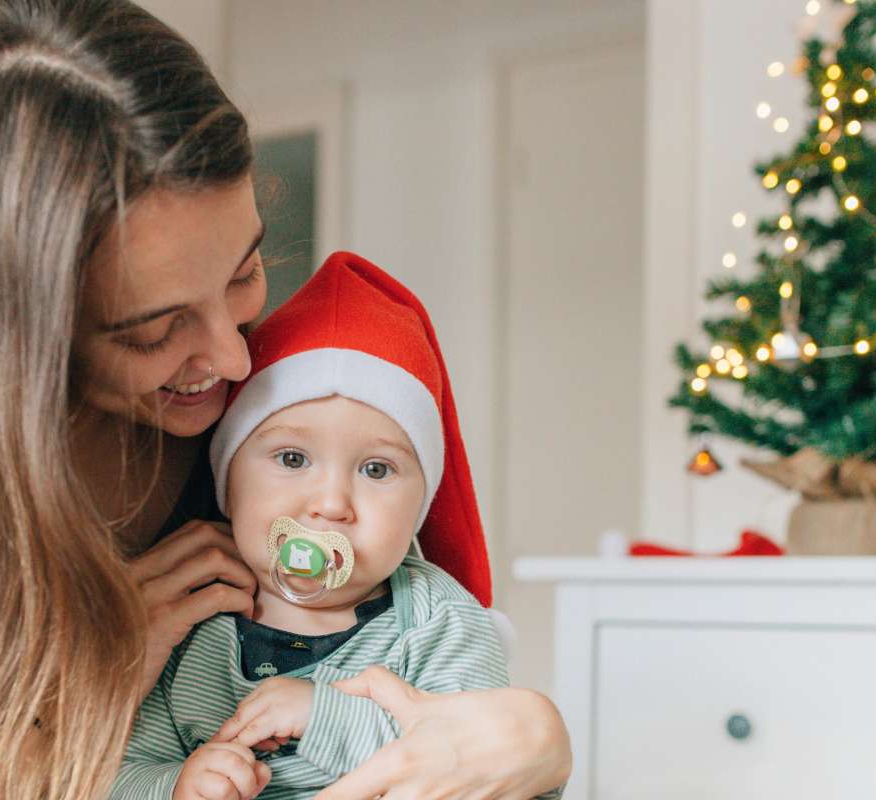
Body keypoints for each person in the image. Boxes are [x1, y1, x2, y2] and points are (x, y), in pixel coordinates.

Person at [0, 1, 571, 798]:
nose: (235, 354)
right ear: (5, 341)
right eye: (152, 329)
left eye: (243, 271)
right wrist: (93, 679)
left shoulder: (248, 433)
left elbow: (436, 660)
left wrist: (535, 735)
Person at [113, 251, 564, 800]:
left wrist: (323, 716)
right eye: (292, 459)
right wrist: (176, 786)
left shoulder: (436, 621)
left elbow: (473, 771)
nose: (330, 504)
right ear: (228, 483)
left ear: (421, 504)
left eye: (376, 469)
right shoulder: (190, 620)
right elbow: (116, 772)